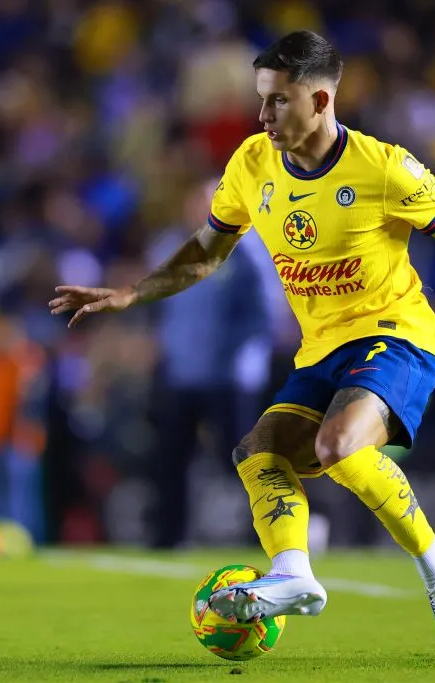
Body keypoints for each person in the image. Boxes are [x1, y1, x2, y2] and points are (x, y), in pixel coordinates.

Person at [49, 30, 435, 660]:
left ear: (322, 100)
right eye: (261, 100)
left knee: (337, 446)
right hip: (322, 350)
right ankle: (294, 572)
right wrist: (130, 294)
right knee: (256, 452)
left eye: (278, 101)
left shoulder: (384, 166)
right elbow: (206, 252)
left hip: (397, 336)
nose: (262, 115)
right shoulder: (252, 164)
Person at [146, 179, 277, 548]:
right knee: (171, 459)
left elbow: (264, 314)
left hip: (229, 378)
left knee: (239, 461)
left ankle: (274, 534)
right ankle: (167, 538)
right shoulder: (171, 247)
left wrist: (231, 354)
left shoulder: (245, 250)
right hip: (181, 374)